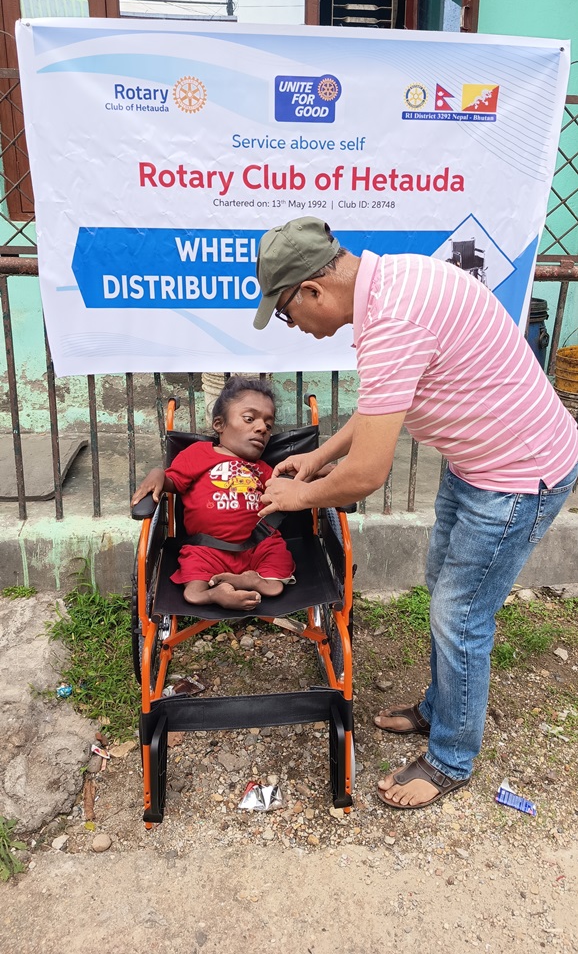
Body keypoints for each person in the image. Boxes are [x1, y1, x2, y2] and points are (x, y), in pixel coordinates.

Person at [253, 215, 578, 810]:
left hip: (516, 476)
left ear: (312, 291)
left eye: (286, 312)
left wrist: (298, 494)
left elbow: (371, 474)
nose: (294, 326)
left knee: (461, 613)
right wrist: (317, 459)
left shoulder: (394, 318)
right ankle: (439, 709)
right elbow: (383, 402)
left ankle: (452, 759)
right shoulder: (391, 285)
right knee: (444, 591)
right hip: (478, 461)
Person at [131, 377, 295, 612]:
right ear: (219, 424)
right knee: (193, 591)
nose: (261, 428)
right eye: (250, 419)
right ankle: (217, 594)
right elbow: (173, 482)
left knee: (275, 582)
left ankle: (250, 580)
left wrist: (319, 471)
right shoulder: (198, 454)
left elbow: (288, 490)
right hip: (208, 548)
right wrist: (158, 473)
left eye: (268, 426)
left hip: (257, 546)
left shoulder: (264, 469)